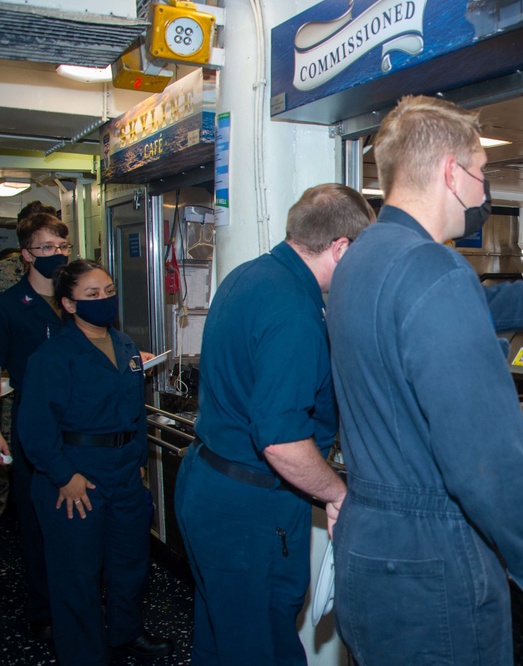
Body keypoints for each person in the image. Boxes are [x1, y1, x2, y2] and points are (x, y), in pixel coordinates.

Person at [327, 94, 523, 665]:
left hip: (370, 549)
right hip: (434, 565)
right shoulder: (434, 269)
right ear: (451, 172)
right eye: (481, 173)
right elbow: (485, 455)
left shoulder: (364, 258)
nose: (482, 191)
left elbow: (476, 305)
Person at [174, 184, 373, 665]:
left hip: (208, 482)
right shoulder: (294, 312)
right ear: (341, 247)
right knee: (263, 646)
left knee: (223, 638)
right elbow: (282, 444)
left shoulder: (249, 276)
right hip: (249, 510)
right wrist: (336, 494)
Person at [16, 260, 174, 664]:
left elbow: (133, 411)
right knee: (77, 573)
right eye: (91, 295)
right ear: (69, 304)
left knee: (130, 562)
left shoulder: (124, 345)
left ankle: (126, 632)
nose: (104, 299)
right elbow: (34, 427)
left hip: (122, 470)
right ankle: (84, 653)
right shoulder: (52, 356)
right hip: (74, 472)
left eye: (107, 291)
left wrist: (137, 462)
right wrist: (62, 475)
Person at [0, 206, 66, 641]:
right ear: (26, 255)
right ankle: (42, 605)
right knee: (36, 514)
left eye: (61, 246)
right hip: (30, 422)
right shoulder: (9, 306)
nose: (55, 254)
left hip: (78, 423)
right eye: (45, 248)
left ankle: (75, 595)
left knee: (75, 513)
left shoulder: (77, 298)